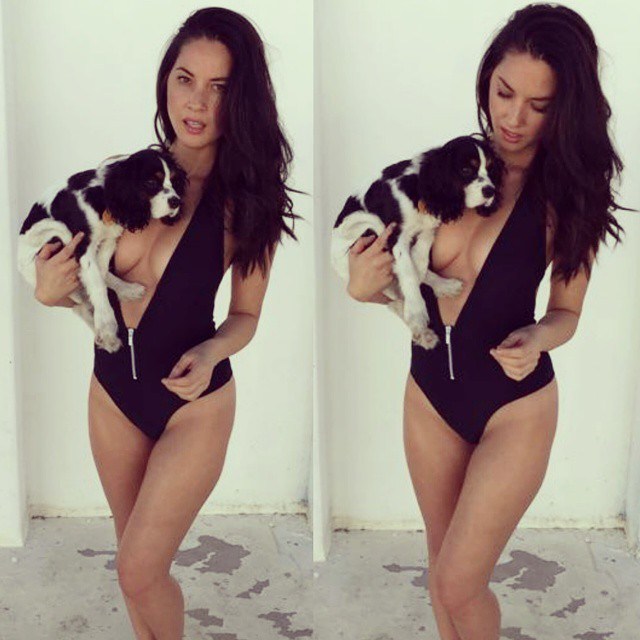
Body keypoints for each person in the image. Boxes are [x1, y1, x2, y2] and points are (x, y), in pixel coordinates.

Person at [345, 4, 625, 639]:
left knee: (458, 583)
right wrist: (364, 288)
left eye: (538, 104)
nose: (513, 117)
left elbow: (567, 312)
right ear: (486, 80)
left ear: (566, 108)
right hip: (429, 399)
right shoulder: (445, 170)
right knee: (442, 576)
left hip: (514, 407)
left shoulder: (570, 195)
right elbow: (387, 273)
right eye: (503, 93)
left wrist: (540, 337)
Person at [31, 7, 297, 639]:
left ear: (242, 98)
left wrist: (211, 352)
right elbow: (71, 281)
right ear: (166, 82)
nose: (196, 102)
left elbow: (246, 316)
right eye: (185, 79)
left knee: (139, 568)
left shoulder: (248, 202)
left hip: (193, 406)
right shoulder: (122, 180)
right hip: (112, 396)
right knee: (136, 570)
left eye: (219, 87)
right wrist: (49, 291)